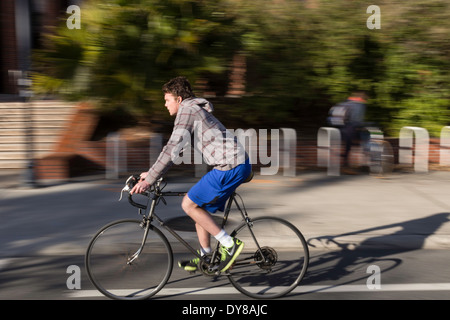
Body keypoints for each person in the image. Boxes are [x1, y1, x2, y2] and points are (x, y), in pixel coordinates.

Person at [130, 76, 251, 273]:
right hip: (234, 164)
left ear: (178, 99)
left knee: (188, 203)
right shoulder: (193, 110)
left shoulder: (187, 109)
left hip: (230, 165)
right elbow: (176, 152)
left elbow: (171, 148)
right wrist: (152, 173)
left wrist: (150, 179)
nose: (165, 104)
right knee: (198, 207)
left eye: (167, 99)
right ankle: (206, 258)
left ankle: (230, 244)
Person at [328, 91, 368, 170]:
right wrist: (362, 126)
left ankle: (345, 161)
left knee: (348, 145)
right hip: (351, 127)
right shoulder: (359, 104)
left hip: (340, 128)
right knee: (366, 138)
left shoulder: (345, 103)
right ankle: (364, 161)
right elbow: (357, 120)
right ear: (361, 98)